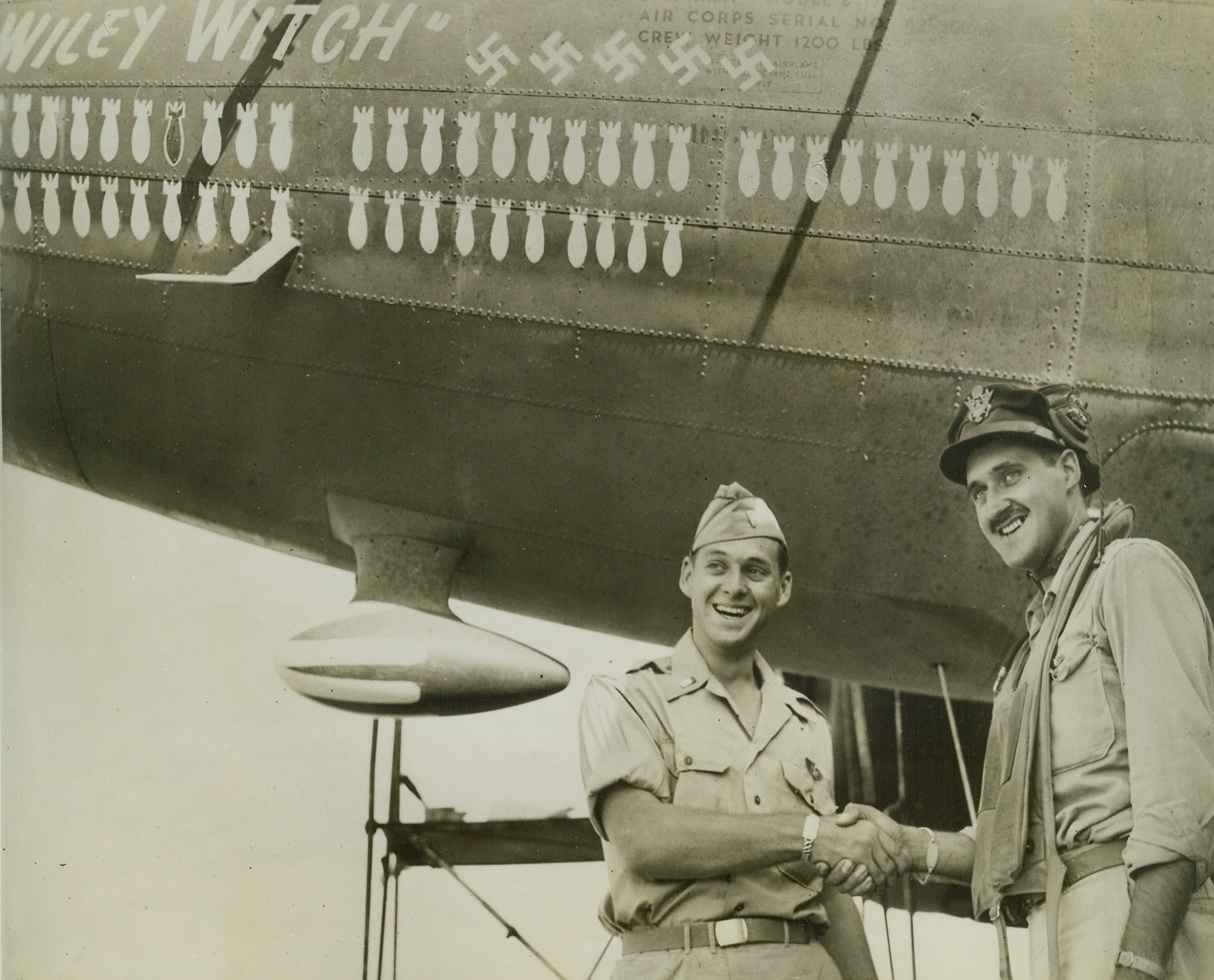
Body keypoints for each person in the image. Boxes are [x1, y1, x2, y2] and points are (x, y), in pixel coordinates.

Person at [834, 382, 1214, 980]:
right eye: (978, 492)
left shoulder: (1133, 572)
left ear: (1068, 469)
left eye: (1009, 477)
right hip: (1060, 931)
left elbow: (1180, 808)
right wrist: (907, 846)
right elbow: (1018, 845)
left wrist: (1137, 964)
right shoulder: (1042, 637)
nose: (992, 505)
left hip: (1136, 927)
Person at [578, 483, 908, 980]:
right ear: (688, 576)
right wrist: (810, 836)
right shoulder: (627, 698)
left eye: (755, 571)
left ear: (784, 587)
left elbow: (829, 895)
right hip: (679, 965)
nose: (734, 586)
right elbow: (643, 840)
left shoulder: (806, 722)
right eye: (717, 566)